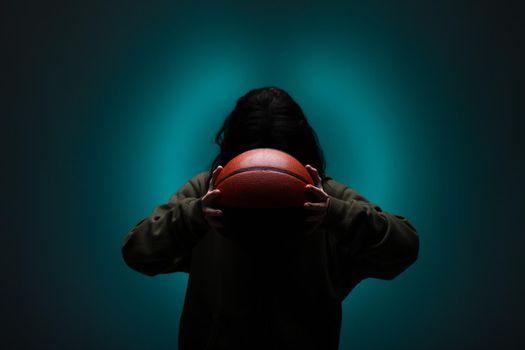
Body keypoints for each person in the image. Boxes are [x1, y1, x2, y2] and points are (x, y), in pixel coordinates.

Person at [121, 87, 420, 350]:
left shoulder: (324, 198)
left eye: (278, 165)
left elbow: (404, 247)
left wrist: (335, 214)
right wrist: (195, 216)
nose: (265, 186)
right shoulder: (207, 195)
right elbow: (137, 252)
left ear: (302, 159)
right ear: (232, 159)